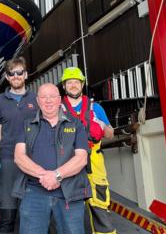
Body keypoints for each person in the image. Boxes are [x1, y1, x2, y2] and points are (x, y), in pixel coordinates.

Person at [12, 83, 91, 234]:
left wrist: (56, 175)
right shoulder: (27, 125)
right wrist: (45, 176)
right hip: (34, 192)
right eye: (43, 97)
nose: (48, 101)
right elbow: (19, 157)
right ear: (38, 101)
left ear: (59, 100)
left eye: (52, 96)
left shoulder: (76, 124)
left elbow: (81, 159)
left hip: (69, 192)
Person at [60, 67, 116, 234]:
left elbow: (110, 134)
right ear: (64, 86)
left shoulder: (95, 108)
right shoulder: (57, 108)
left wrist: (101, 125)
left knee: (100, 211)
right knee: (68, 214)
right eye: (69, 82)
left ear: (82, 84)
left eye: (76, 82)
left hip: (94, 166)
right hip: (68, 166)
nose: (73, 85)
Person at [0, 57, 38, 234]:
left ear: (25, 74)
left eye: (19, 72)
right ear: (7, 77)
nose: (16, 76)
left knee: (33, 214)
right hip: (9, 160)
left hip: (34, 160)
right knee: (8, 213)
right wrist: (10, 151)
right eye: (12, 73)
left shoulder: (36, 99)